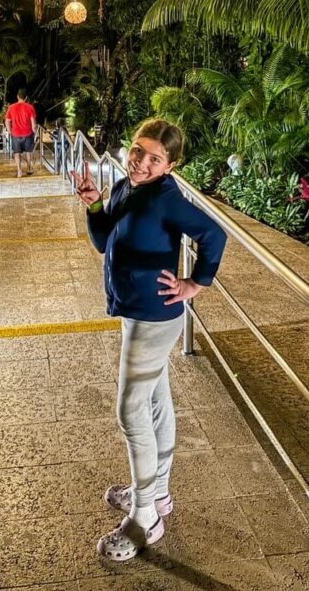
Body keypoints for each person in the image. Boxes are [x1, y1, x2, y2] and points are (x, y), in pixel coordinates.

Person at [71, 118, 227, 562]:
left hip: (156, 316)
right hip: (133, 309)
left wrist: (195, 283)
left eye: (154, 158)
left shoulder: (167, 198)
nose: (141, 161)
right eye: (138, 150)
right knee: (155, 402)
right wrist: (95, 207)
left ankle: (145, 518)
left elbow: (214, 233)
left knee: (130, 409)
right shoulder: (125, 186)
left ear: (170, 165)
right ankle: (157, 494)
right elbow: (104, 242)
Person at [4, 89, 38, 178]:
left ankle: (19, 171)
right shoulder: (30, 107)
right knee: (28, 152)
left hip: (16, 134)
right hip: (28, 133)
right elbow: (33, 123)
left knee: (17, 153)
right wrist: (35, 132)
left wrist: (10, 131)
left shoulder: (11, 107)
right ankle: (29, 168)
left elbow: (7, 121)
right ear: (26, 97)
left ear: (17, 97)